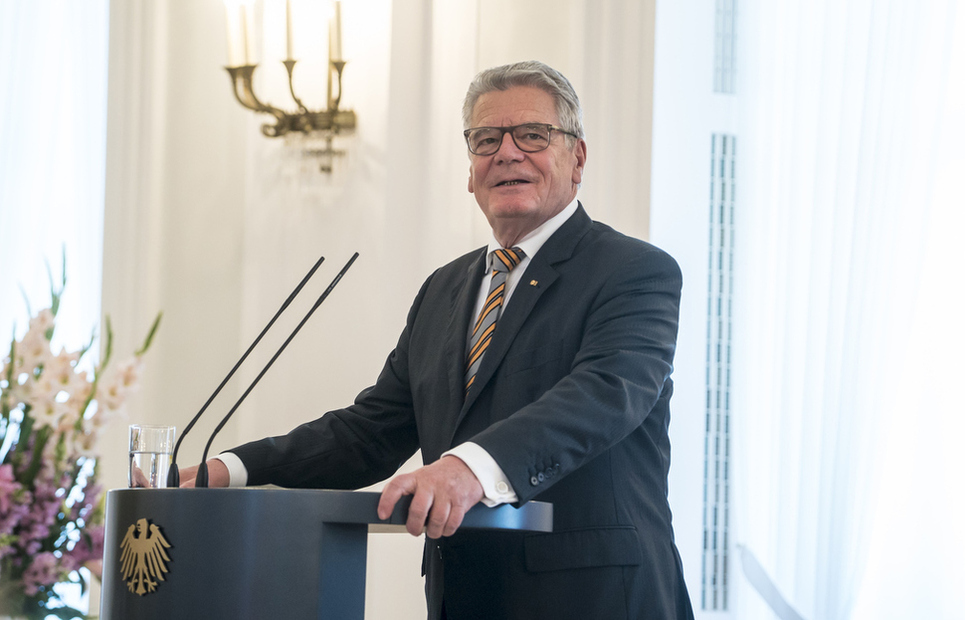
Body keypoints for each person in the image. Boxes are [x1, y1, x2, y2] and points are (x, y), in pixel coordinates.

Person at [181, 60, 694, 620]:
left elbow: (602, 396)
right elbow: (371, 430)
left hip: (596, 598)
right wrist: (227, 470)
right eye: (485, 139)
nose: (506, 152)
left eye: (532, 135)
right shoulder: (445, 289)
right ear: (471, 170)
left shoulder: (634, 271)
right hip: (465, 597)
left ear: (577, 159)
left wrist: (468, 468)